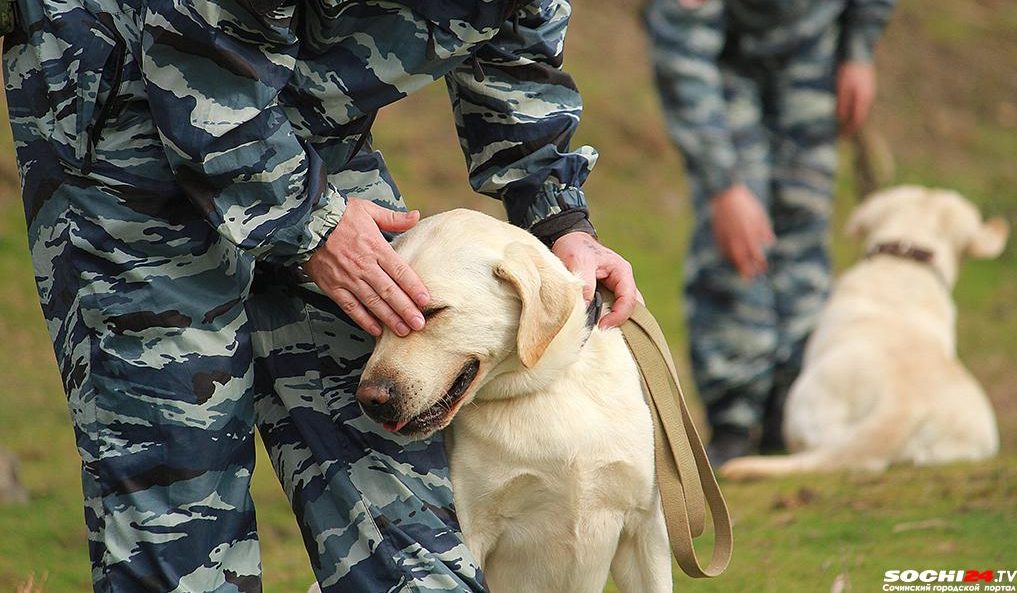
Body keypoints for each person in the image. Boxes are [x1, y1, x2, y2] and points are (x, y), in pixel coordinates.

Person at [4, 0, 639, 590]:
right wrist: (315, 225)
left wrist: (557, 218)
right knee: (179, 490)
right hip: (124, 108)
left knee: (400, 461)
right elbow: (201, 64)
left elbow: (515, 48)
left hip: (305, 124)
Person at [646, 0, 894, 465]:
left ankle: (794, 407)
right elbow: (682, 51)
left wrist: (859, 50)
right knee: (737, 237)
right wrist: (723, 186)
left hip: (814, 49)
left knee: (802, 220)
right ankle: (735, 420)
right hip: (724, 57)